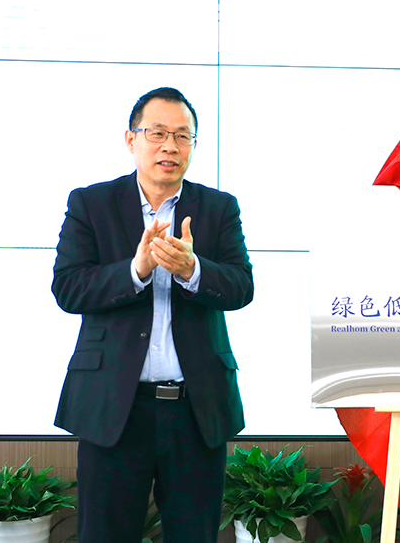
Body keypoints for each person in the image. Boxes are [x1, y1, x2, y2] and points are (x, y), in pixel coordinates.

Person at [52, 87, 254, 542]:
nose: (170, 146)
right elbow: (68, 288)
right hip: (114, 407)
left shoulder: (218, 208)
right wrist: (136, 270)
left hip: (195, 408)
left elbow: (242, 287)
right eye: (158, 133)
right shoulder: (91, 204)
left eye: (183, 136)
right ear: (131, 139)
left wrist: (193, 269)